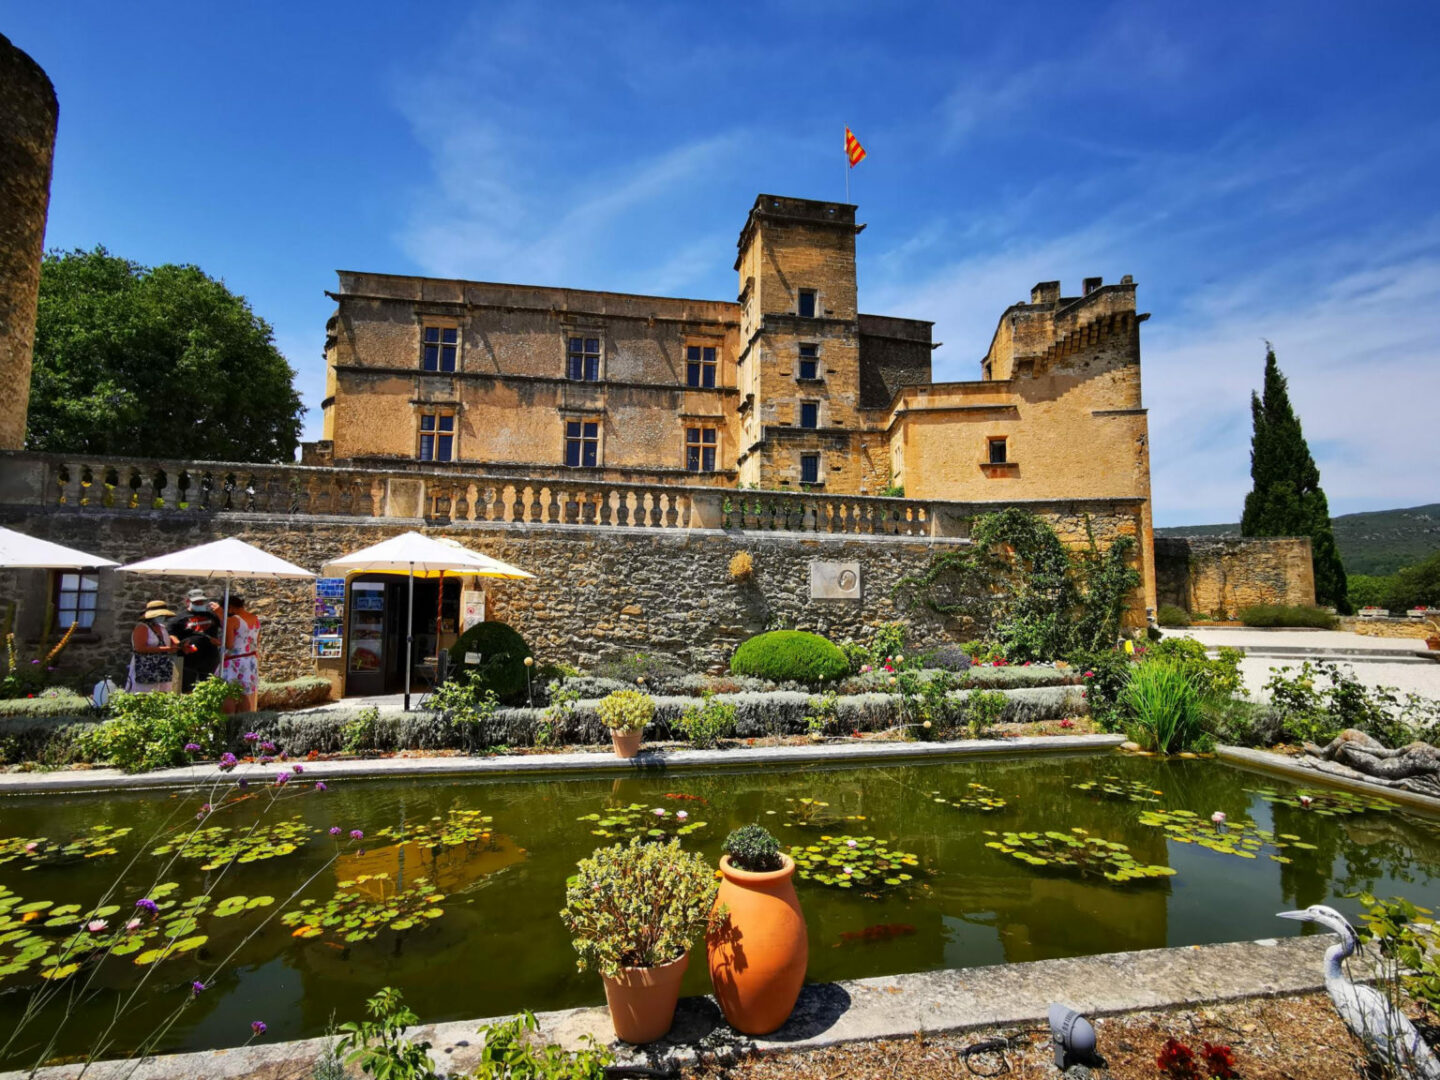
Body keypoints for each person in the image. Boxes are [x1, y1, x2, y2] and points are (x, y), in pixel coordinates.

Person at [167, 588, 223, 693]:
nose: (199, 604)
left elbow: (226, 626)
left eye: (201, 601)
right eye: (196, 602)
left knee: (209, 688)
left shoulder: (211, 616)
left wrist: (220, 613)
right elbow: (171, 634)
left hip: (210, 658)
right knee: (185, 689)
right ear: (188, 601)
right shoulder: (179, 618)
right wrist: (180, 644)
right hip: (188, 659)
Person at [220, 593, 261, 713]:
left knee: (229, 693)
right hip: (250, 661)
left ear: (230, 607)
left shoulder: (232, 620)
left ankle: (229, 724)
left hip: (235, 661)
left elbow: (229, 644)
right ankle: (246, 724)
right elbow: (256, 642)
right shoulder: (255, 619)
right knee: (247, 694)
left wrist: (218, 642)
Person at [127, 600, 177, 693]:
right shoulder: (142, 627)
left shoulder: (162, 628)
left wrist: (176, 644)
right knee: (143, 694)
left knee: (162, 693)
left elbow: (167, 642)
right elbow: (140, 648)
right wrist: (167, 649)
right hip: (145, 667)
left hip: (162, 667)